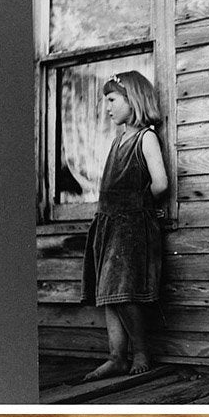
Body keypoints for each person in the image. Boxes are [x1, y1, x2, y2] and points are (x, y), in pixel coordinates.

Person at [81, 70, 168, 379]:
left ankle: (141, 351)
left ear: (133, 100)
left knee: (123, 292)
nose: (108, 108)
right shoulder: (119, 140)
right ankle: (116, 356)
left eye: (112, 100)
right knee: (107, 291)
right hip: (109, 225)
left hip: (131, 225)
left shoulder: (146, 138)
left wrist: (139, 204)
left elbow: (160, 183)